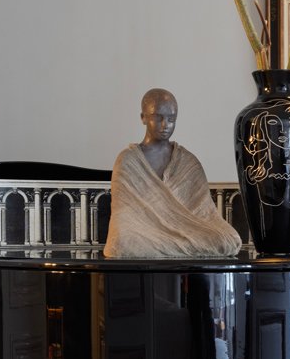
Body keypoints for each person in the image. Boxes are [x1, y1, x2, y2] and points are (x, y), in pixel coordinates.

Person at [103, 88, 242, 258]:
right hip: (142, 233)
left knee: (228, 239)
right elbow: (123, 217)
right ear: (143, 118)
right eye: (158, 117)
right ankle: (171, 246)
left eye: (171, 119)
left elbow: (204, 213)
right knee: (122, 242)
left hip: (188, 232)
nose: (165, 125)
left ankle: (169, 246)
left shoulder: (188, 162)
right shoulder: (128, 160)